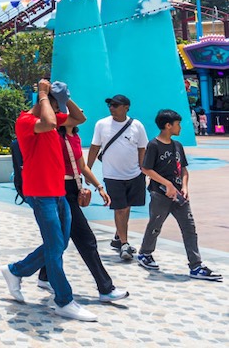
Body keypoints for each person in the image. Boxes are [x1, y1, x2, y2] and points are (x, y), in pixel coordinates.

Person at [1, 79, 96, 322]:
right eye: (57, 105)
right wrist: (44, 95)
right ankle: (63, 300)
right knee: (54, 247)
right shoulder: (26, 122)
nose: (59, 111)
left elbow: (80, 118)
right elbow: (50, 121)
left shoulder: (53, 117)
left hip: (58, 192)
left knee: (59, 244)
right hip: (40, 193)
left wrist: (63, 96)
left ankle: (15, 271)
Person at [36, 100, 129, 302]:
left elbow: (82, 166)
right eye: (73, 110)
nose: (80, 111)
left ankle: (43, 275)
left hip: (73, 190)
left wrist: (99, 187)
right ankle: (105, 288)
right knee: (86, 239)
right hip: (59, 191)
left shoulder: (75, 137)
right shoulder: (53, 136)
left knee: (59, 240)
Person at [137, 109, 222, 281]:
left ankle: (196, 265)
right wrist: (167, 184)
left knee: (189, 227)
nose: (180, 127)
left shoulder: (177, 146)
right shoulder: (154, 145)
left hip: (179, 196)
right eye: (178, 124)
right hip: (160, 194)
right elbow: (146, 168)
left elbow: (183, 169)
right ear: (168, 126)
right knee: (155, 224)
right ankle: (145, 253)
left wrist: (184, 187)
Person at [87, 94, 149, 261]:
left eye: (115, 105)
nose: (111, 108)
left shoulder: (137, 126)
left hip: (134, 174)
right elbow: (94, 147)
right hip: (112, 175)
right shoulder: (102, 124)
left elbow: (142, 148)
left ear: (126, 107)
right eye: (110, 105)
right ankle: (124, 243)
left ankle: (118, 237)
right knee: (120, 208)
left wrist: (143, 169)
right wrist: (88, 170)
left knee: (126, 207)